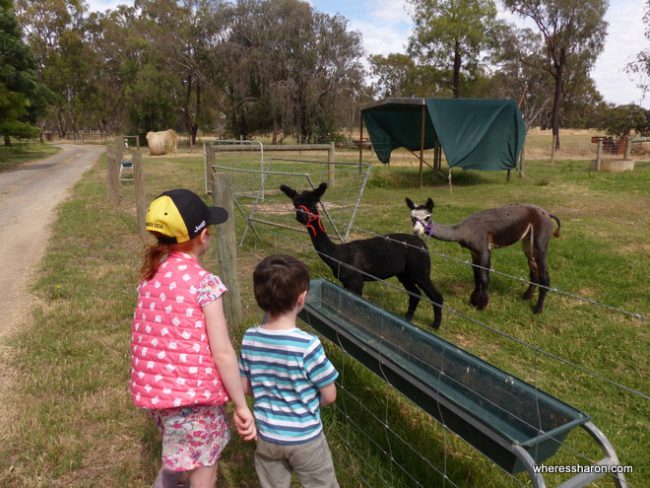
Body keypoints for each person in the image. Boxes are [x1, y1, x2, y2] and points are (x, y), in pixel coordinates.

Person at [130, 188, 256, 488]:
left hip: (159, 397)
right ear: (203, 236)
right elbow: (223, 353)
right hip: (194, 399)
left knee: (179, 458)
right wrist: (240, 404)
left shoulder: (151, 277)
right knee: (203, 468)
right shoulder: (205, 284)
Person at [239, 254, 339, 488]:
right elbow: (330, 395)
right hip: (306, 438)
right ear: (302, 298)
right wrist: (313, 403)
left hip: (267, 436)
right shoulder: (308, 345)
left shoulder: (250, 339)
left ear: (258, 297)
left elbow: (245, 387)